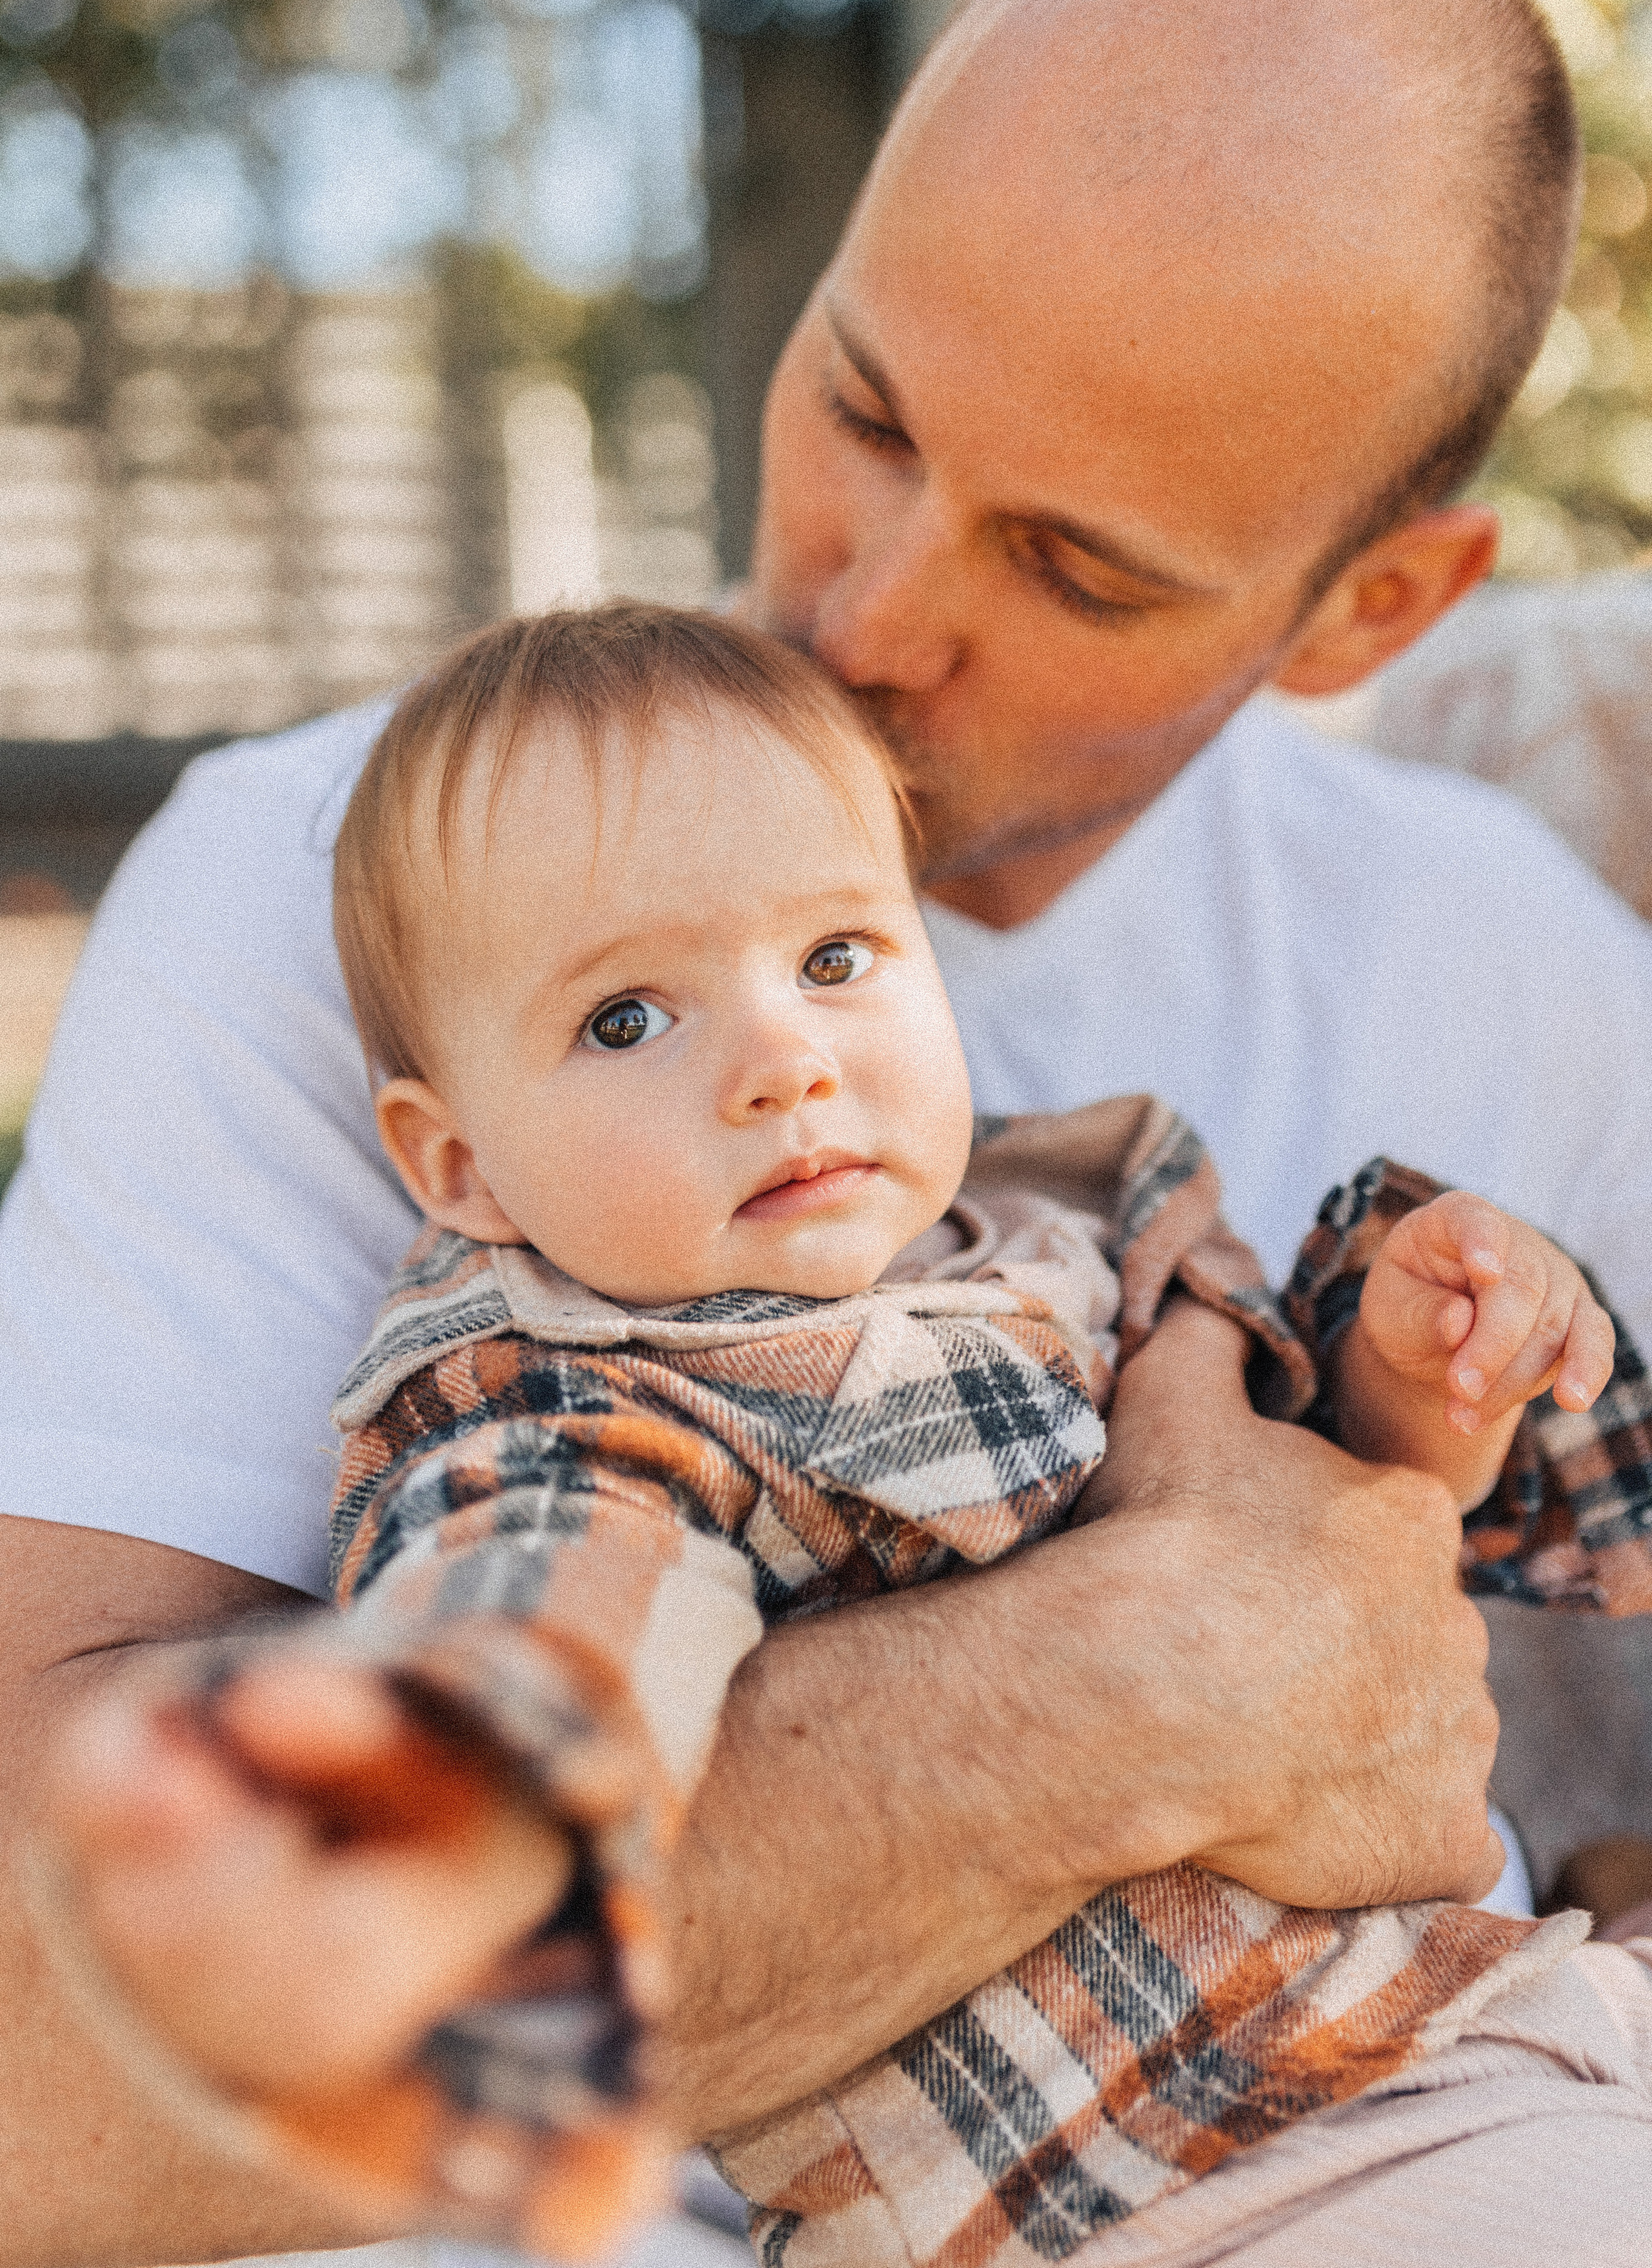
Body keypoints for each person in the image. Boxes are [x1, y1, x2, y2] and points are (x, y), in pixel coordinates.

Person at [5, 0, 1652, 2265]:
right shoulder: (335, 891)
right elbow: (38, 2067)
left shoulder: (1503, 957)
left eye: (1077, 571)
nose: (866, 614)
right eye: (862, 406)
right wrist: (1141, 1689)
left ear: (1369, 609)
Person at [54, 606, 1632, 2263]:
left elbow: (1342, 1528)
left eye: (832, 961)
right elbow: (549, 1621)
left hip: (1451, 2028)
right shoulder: (585, 1393)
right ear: (455, 1167)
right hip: (1171, 2186)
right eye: (625, 1019)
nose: (781, 1064)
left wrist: (1422, 1371)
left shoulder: (1054, 1232)